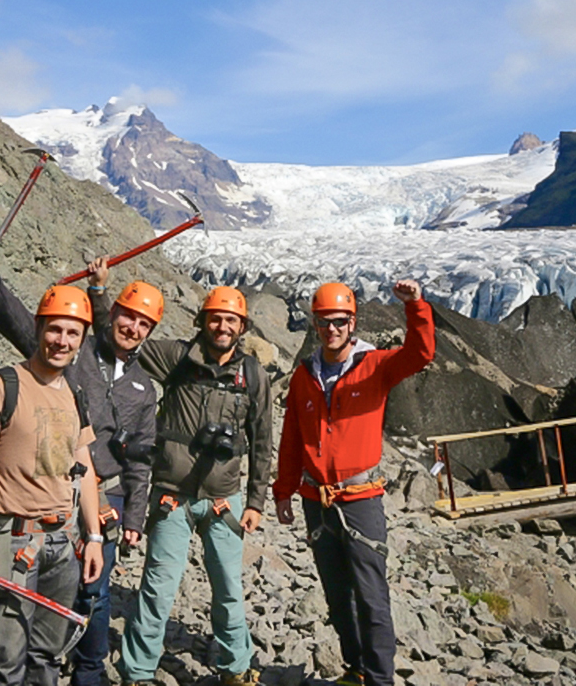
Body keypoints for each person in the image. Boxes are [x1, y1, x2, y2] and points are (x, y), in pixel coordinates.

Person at [0, 254, 160, 686]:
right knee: (14, 640)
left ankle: (88, 673)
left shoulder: (144, 386)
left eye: (144, 324)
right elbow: (17, 320)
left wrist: (132, 517)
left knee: (94, 594)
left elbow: (141, 458)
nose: (133, 327)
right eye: (127, 317)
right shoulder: (76, 359)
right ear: (112, 315)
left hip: (100, 495)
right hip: (45, 502)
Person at [272, 280, 434, 686]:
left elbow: (420, 353)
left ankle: (380, 680)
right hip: (316, 498)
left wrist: (415, 306)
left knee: (371, 596)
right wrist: (283, 491)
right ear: (315, 324)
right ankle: (356, 668)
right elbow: (292, 437)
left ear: (352, 322)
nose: (332, 329)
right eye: (325, 322)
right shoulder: (303, 376)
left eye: (340, 322)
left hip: (360, 497)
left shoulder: (375, 365)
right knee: (336, 595)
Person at [119, 286, 275, 686]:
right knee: (158, 588)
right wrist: (102, 293)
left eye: (231, 320)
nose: (222, 326)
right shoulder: (176, 358)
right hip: (173, 495)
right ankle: (137, 672)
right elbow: (122, 334)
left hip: (226, 500)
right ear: (203, 321)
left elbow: (261, 442)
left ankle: (236, 669)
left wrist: (256, 500)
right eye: (216, 318)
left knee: (228, 589)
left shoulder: (253, 376)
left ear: (242, 327)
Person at [0, 284, 106, 686]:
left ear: (81, 341)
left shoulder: (75, 392)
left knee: (48, 657)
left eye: (73, 333)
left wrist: (93, 536)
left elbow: (84, 465)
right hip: (13, 538)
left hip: (63, 540)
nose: (62, 341)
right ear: (39, 328)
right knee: (7, 657)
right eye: (55, 329)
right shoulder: (4, 385)